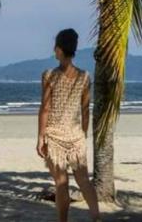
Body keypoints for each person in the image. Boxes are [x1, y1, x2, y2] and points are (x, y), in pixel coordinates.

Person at [37, 29, 101, 222]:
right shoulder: (84, 77)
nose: (54, 50)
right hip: (76, 136)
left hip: (55, 136)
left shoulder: (49, 76)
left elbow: (45, 108)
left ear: (60, 49)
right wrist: (83, 133)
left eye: (55, 47)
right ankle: (97, 218)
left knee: (61, 184)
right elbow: (85, 109)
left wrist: (40, 137)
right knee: (84, 182)